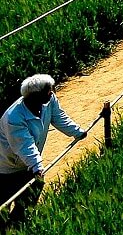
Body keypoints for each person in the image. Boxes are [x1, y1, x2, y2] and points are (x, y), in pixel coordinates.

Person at [2, 75, 87, 221]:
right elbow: (25, 145)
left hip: (28, 166)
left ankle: (17, 226)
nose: (52, 93)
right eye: (48, 91)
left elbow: (59, 117)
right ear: (35, 96)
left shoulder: (49, 101)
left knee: (30, 197)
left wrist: (77, 132)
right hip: (7, 167)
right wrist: (37, 166)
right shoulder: (14, 118)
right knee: (4, 205)